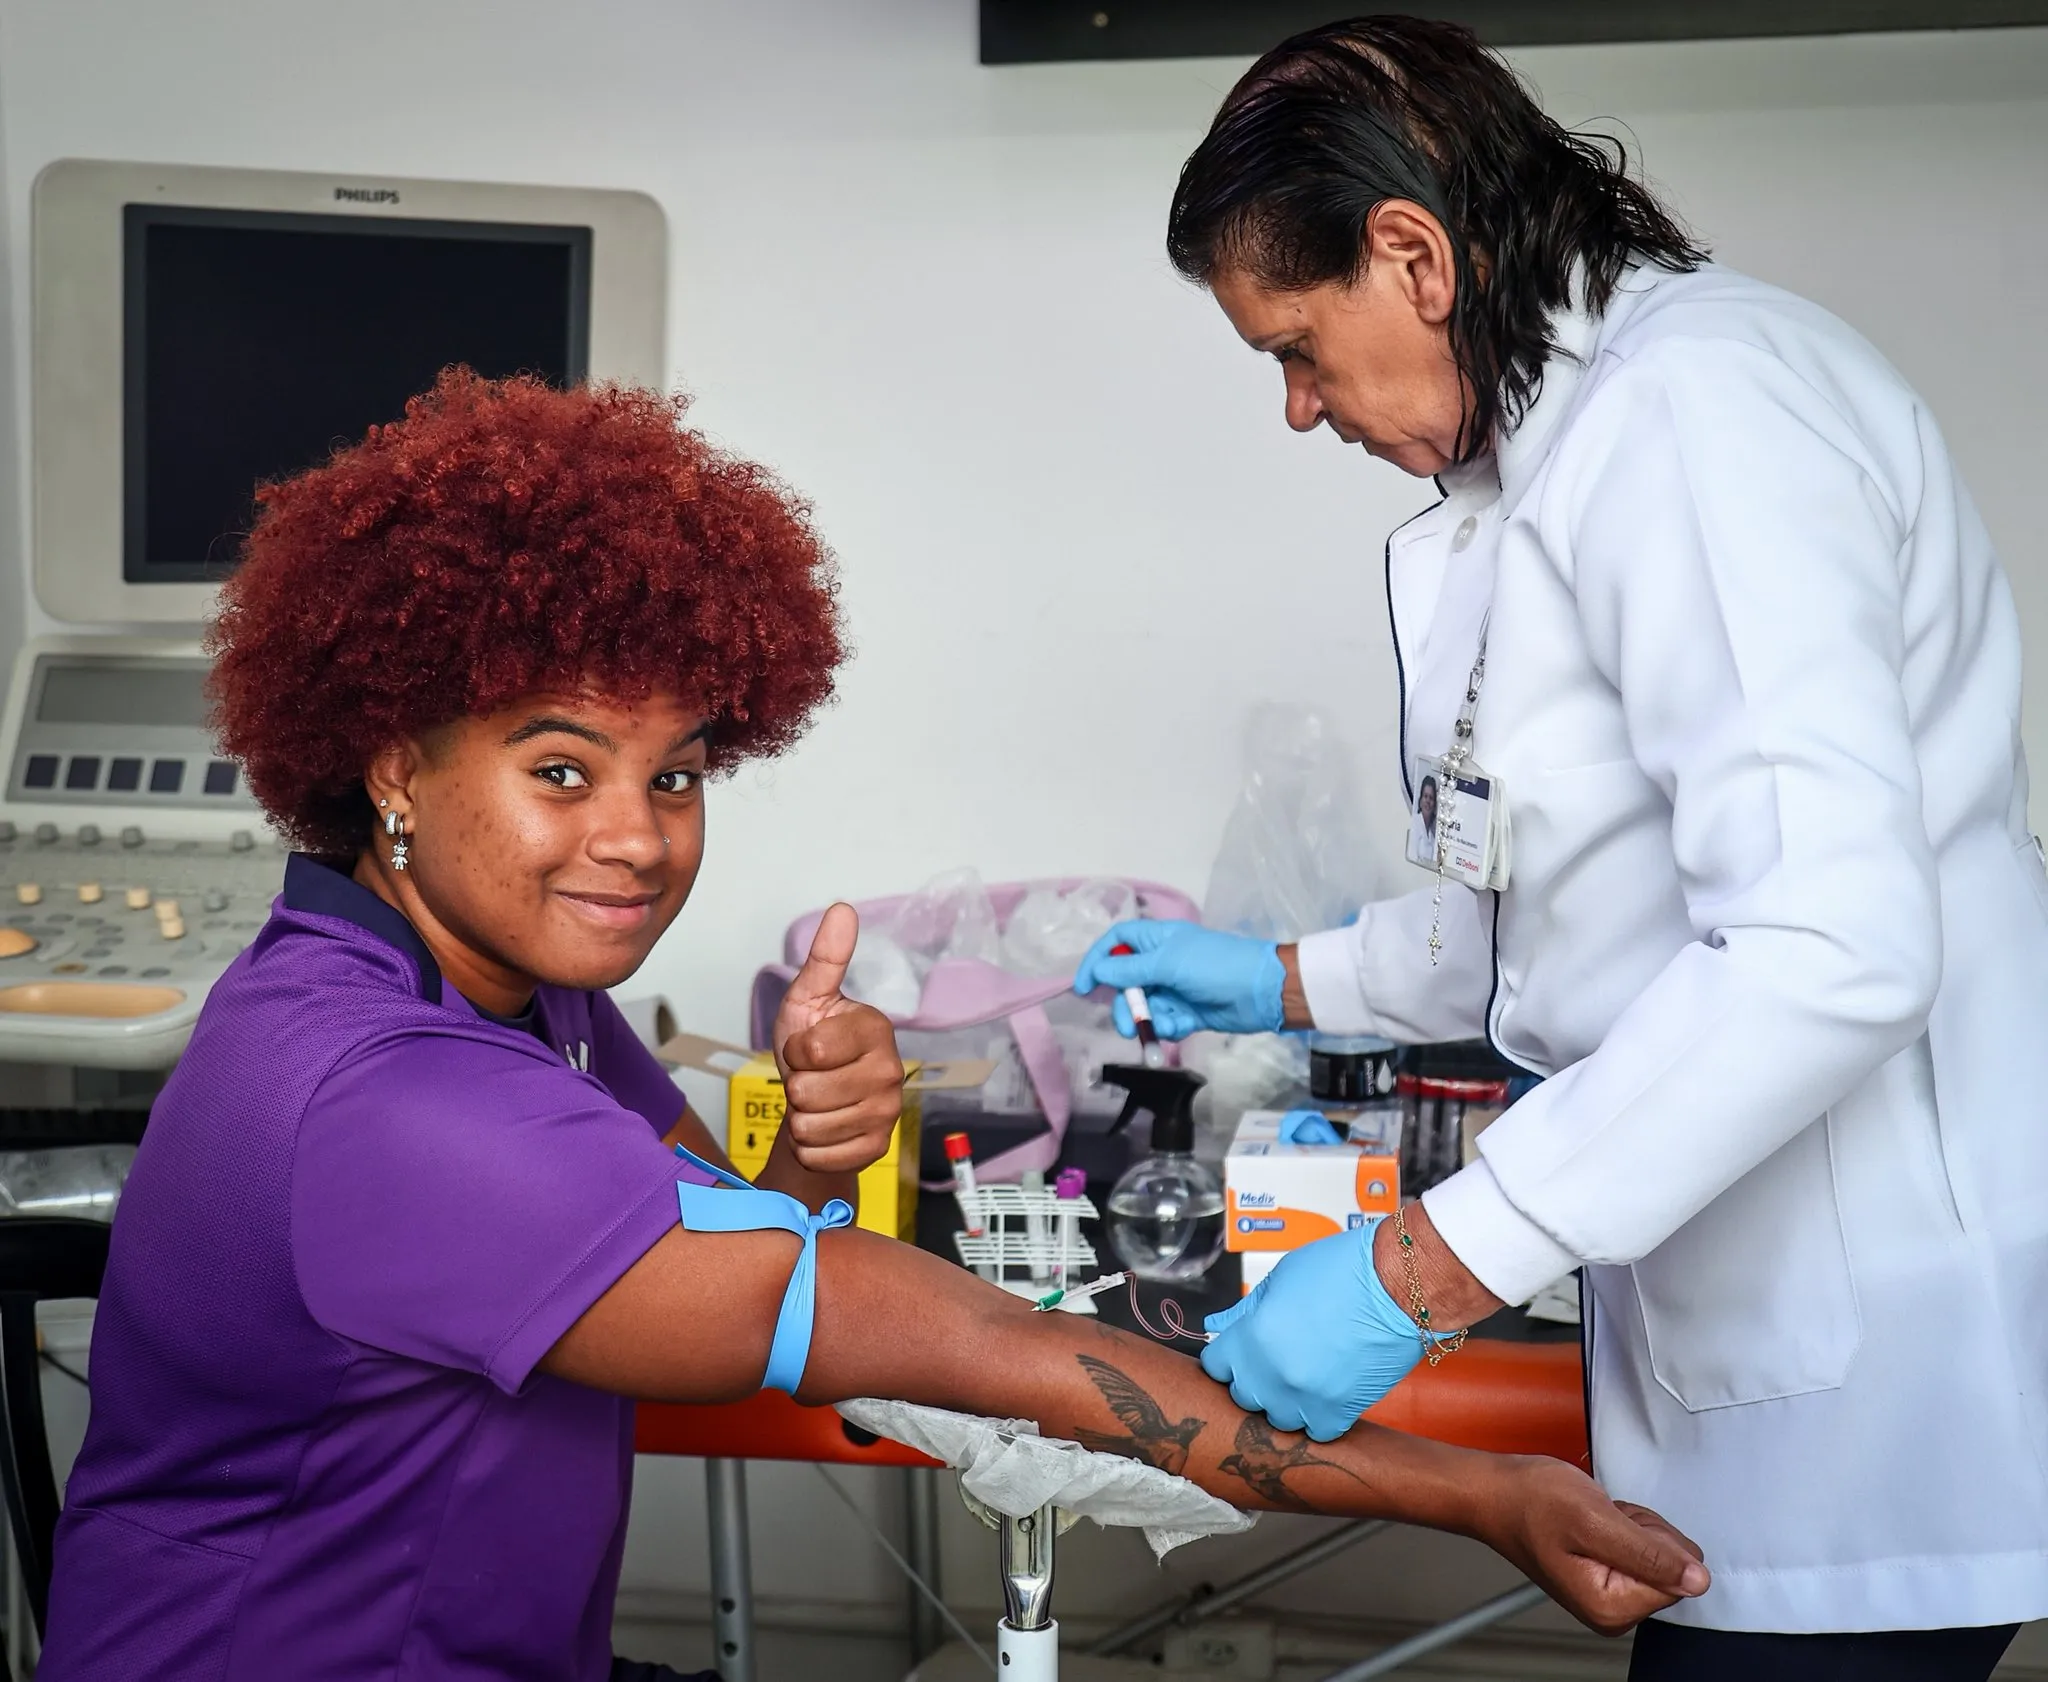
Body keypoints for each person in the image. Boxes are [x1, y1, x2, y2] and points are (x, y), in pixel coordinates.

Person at [37, 371, 1709, 1681]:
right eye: (560, 768)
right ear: (392, 763)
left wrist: (827, 1145)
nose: (637, 835)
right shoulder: (386, 1103)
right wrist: (1481, 1489)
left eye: (675, 771)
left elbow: (732, 1254)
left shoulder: (498, 993)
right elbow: (936, 1337)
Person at [1074, 18, 2048, 1681]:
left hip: (1870, 1344)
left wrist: (1419, 1266)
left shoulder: (1698, 410)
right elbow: (1547, 912)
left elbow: (1831, 946)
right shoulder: (1538, 472)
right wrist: (1275, 975)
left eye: (1295, 348)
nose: (1299, 410)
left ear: (1413, 254)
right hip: (1733, 1311)